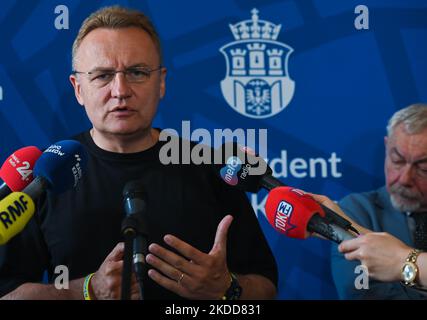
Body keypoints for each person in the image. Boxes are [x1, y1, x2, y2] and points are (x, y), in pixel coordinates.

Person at [0, 6, 277, 300]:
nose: (120, 90)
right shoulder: (46, 174)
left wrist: (227, 288)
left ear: (161, 82)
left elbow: (266, 285)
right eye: (103, 76)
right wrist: (83, 291)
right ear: (78, 88)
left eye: (137, 72)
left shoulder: (212, 166)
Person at [330, 103, 427, 299]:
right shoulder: (357, 211)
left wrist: (402, 267)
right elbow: (359, 293)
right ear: (386, 147)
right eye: (397, 160)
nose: (405, 179)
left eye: (423, 168)